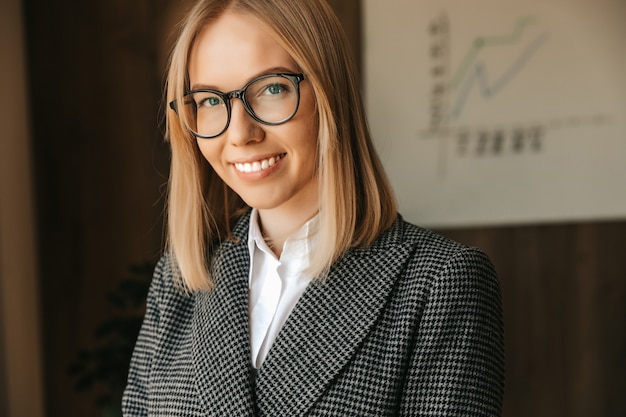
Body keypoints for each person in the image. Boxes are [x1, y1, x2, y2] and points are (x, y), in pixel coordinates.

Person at [122, 0, 505, 415]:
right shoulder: (178, 282)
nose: (240, 134)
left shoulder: (440, 284)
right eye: (210, 100)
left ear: (329, 92)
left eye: (272, 89)